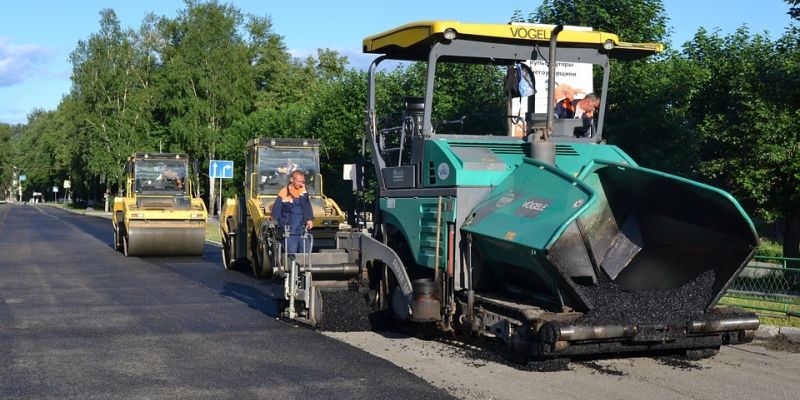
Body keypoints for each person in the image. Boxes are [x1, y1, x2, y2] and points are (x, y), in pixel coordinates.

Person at [271, 169, 314, 254]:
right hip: (290, 231)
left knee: (306, 253)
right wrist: (281, 225)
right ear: (291, 180)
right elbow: (276, 212)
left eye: (303, 182)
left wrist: (309, 219)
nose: (301, 184)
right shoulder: (283, 193)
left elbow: (307, 206)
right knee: (291, 255)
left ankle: (304, 267)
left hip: (302, 230)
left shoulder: (303, 191)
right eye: (299, 181)